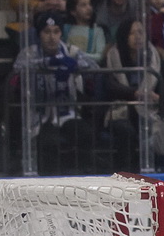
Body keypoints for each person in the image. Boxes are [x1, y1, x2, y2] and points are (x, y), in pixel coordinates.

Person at [12, 10, 99, 175]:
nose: (51, 36)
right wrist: (46, 63)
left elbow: (95, 68)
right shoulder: (29, 53)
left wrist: (75, 64)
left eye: (56, 31)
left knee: (85, 134)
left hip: (67, 113)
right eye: (47, 32)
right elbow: (17, 69)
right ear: (39, 34)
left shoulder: (71, 51)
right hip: (38, 115)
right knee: (49, 142)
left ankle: (83, 178)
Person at [104, 18, 161, 171]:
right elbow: (110, 86)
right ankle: (124, 173)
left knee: (159, 129)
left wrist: (157, 97)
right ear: (123, 36)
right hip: (120, 110)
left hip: (148, 109)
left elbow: (163, 88)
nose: (137, 37)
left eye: (140, 32)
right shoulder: (114, 56)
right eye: (132, 33)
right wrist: (134, 93)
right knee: (126, 131)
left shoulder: (153, 56)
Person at [63, 0, 107, 64]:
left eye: (90, 4)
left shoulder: (97, 31)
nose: (89, 8)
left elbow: (100, 56)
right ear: (73, 11)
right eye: (83, 5)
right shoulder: (65, 29)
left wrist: (79, 54)